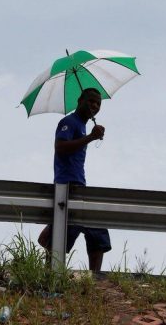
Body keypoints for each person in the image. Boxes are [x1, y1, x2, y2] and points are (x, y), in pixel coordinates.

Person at [37, 87, 111, 272]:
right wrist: (90, 138)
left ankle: (94, 277)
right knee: (73, 227)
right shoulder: (69, 121)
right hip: (68, 184)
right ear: (79, 101)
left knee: (96, 227)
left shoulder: (82, 125)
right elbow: (60, 147)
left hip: (78, 183)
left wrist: (90, 136)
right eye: (91, 101)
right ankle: (51, 271)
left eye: (98, 103)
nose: (95, 105)